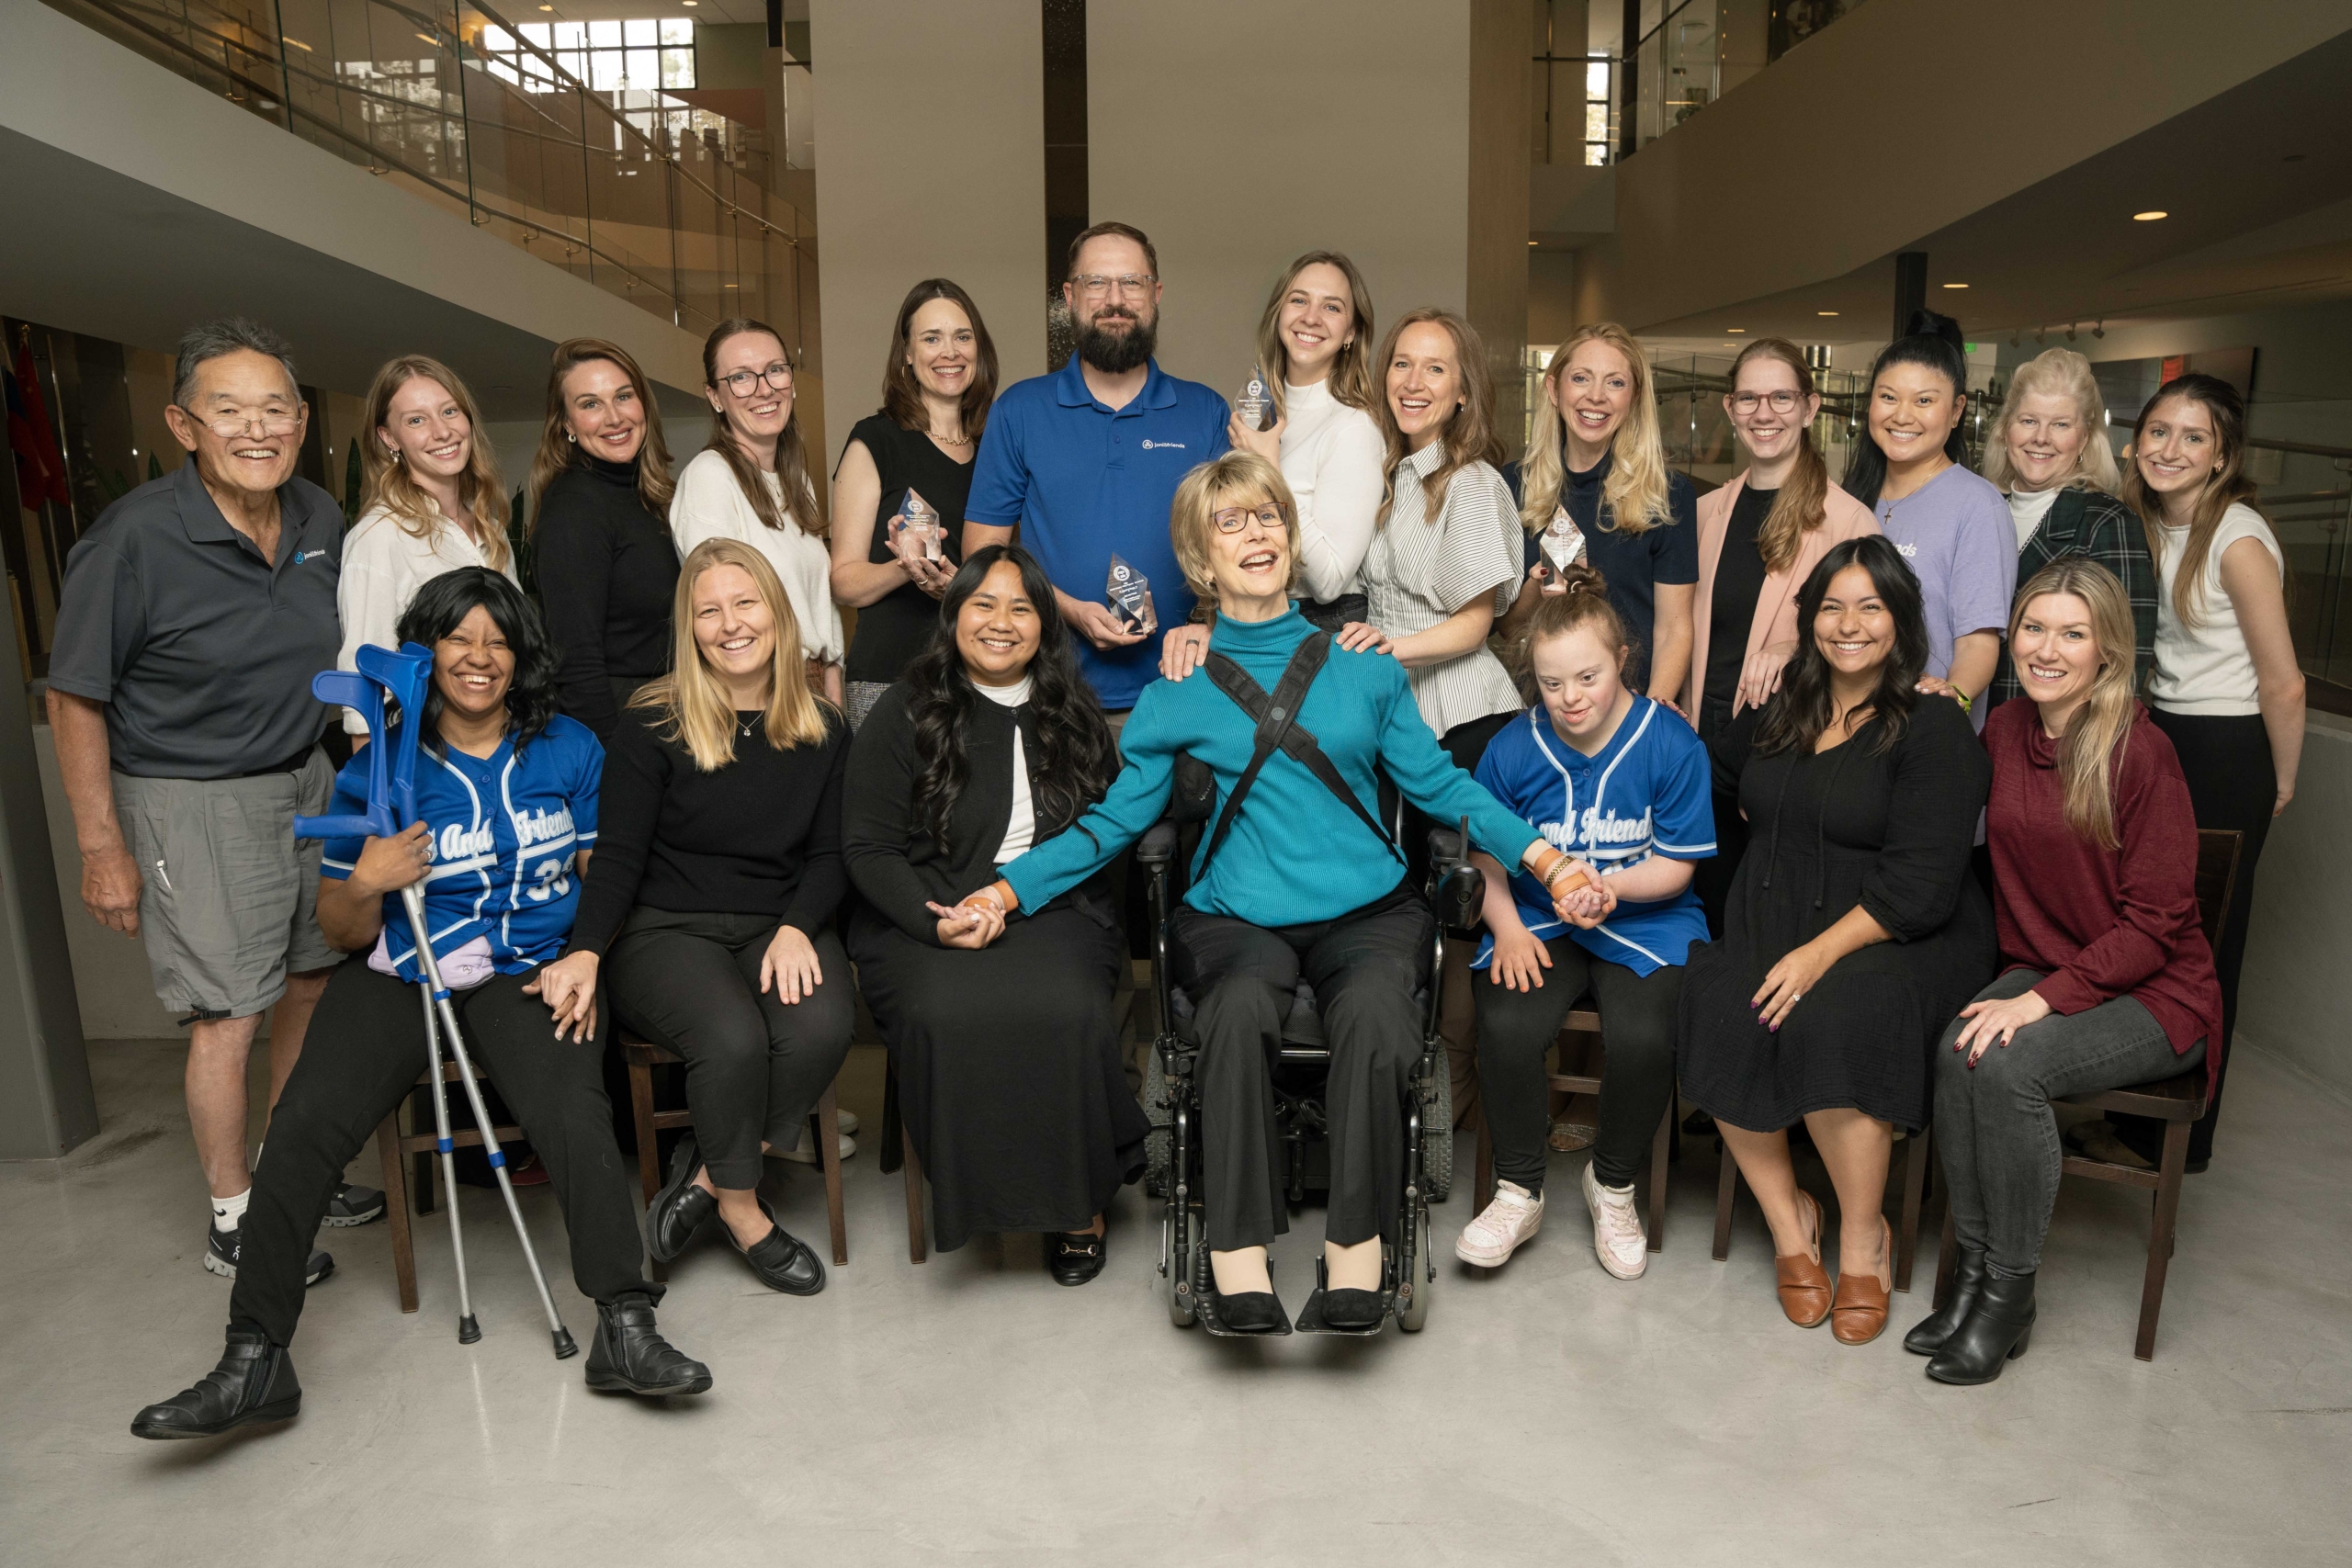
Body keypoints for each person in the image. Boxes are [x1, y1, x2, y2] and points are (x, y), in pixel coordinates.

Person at [951, 451, 1590, 1332]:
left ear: (1291, 540)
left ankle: (1356, 1254)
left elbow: (1446, 788)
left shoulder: (1365, 667)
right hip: (1233, 914)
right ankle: (1236, 1254)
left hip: (1366, 910)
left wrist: (1547, 861)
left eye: (1269, 518)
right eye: (1231, 523)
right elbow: (1111, 823)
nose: (1256, 534)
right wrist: (1004, 892)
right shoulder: (1176, 688)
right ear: (1199, 561)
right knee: (1240, 1006)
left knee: (1373, 1013)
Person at [130, 569, 710, 1440]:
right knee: (302, 1124)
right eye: (458, 638)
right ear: (424, 653)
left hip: (529, 968)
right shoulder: (376, 771)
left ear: (520, 657)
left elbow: (607, 878)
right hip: (405, 966)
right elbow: (337, 924)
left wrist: (586, 957)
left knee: (575, 1111)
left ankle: (625, 1325)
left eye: (498, 640)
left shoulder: (571, 750)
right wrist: (366, 879)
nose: (479, 657)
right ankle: (255, 1360)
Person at [47, 318, 377, 1284]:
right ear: (184, 425)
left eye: (275, 408)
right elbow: (75, 697)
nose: (257, 427)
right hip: (188, 800)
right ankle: (235, 1219)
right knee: (227, 1013)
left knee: (314, 981)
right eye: (229, 409)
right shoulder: (132, 539)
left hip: (305, 781)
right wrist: (101, 846)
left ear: (303, 420)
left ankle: (288, 1174)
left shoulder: (320, 516)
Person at [1906, 559, 2221, 1384]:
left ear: (2108, 650)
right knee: (1955, 1047)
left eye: (2072, 633)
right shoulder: (2005, 727)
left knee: (2011, 1066)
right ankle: (1972, 1274)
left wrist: (2041, 1001)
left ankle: (2009, 1291)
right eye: (2034, 628)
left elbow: (2155, 927)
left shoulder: (2139, 752)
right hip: (2047, 964)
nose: (2048, 647)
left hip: (2157, 992)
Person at [1678, 536, 1994, 1347]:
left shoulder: (1933, 723)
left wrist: (1819, 952)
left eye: (1871, 607)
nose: (1849, 625)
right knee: (1720, 1004)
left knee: (1831, 1016)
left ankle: (1864, 1238)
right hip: (1778, 912)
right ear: (1808, 618)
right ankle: (1792, 1225)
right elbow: (1711, 773)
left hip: (1893, 933)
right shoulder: (1783, 704)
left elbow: (1923, 884)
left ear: (1902, 619)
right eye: (1831, 606)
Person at [534, 539, 854, 1292]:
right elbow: (617, 857)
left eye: (745, 603)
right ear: (690, 627)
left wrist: (799, 925)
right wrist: (585, 950)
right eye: (709, 610)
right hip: (665, 927)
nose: (730, 623)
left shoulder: (826, 727)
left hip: (776, 923)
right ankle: (743, 1209)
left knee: (820, 1025)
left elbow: (835, 852)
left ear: (776, 613)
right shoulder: (652, 719)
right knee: (732, 1036)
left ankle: (705, 1173)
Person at [841, 544, 1140, 1282]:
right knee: (948, 1007)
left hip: (1051, 905)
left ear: (1044, 624)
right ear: (954, 615)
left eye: (1021, 607)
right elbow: (868, 846)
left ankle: (1079, 1207)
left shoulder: (1076, 714)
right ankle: (980, 1198)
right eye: (983, 604)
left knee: (1069, 1005)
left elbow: (1103, 838)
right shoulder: (905, 710)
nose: (1001, 622)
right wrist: (929, 918)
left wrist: (1019, 897)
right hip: (924, 906)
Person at [1456, 567, 1714, 1278]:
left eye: (1587, 677)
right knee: (1506, 1021)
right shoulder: (1513, 746)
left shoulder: (1670, 742)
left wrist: (1613, 886)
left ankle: (1613, 1181)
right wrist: (1504, 924)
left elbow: (1678, 864)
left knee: (1645, 1033)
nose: (1571, 698)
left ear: (1622, 659)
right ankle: (1518, 1187)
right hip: (1537, 917)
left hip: (1649, 915)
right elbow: (1486, 852)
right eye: (1551, 683)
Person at [2100, 373, 2302, 1174]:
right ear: (2136, 439)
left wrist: (2281, 782)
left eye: (2194, 437)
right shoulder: (2143, 522)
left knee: (2205, 945)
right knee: (2142, 929)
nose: (2171, 449)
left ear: (2223, 456)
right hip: (2160, 736)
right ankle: (2127, 1112)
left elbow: (2283, 680)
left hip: (2227, 749)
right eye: (2159, 431)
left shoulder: (2238, 535)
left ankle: (2184, 1140)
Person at [962, 220, 1230, 719]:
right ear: (1069, 296)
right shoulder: (1020, 410)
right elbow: (982, 552)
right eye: (1096, 283)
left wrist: (1213, 626)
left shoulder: (1206, 411)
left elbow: (1238, 548)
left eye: (1131, 282)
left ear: (1155, 294)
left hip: (1186, 695)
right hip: (1049, 698)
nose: (1115, 299)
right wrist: (1069, 611)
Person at [1686, 337, 1878, 933]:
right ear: (1729, 408)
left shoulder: (1848, 520)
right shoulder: (1706, 511)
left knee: (1766, 924)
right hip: (1699, 745)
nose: (1763, 413)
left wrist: (1791, 646)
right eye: (1749, 398)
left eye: (1780, 397)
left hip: (1781, 752)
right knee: (1705, 918)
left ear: (1811, 407)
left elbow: (1874, 639)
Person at [1162, 250, 1384, 667]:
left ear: (1351, 332)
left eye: (1332, 307)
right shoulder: (1262, 412)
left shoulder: (1354, 427)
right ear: (1279, 312)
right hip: (1252, 619)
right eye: (1299, 300)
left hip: (1319, 627)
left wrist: (1270, 468)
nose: (1311, 317)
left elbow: (1330, 581)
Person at [1498, 322, 1700, 705]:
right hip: (1549, 708)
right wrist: (1536, 589)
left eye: (1615, 383)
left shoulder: (1668, 495)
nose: (1596, 397)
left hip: (1635, 705)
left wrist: (1650, 717)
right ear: (1554, 389)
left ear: (1635, 397)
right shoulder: (1512, 485)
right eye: (1581, 378)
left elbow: (1675, 628)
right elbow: (1508, 630)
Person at [831, 278, 995, 728]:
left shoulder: (997, 446)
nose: (950, 352)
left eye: (963, 337)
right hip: (890, 679)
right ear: (906, 352)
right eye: (931, 338)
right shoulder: (876, 440)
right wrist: (905, 568)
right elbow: (843, 581)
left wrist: (959, 589)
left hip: (979, 675)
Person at [1840, 311, 2015, 723]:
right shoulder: (1848, 499)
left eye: (1924, 401)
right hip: (1844, 727)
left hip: (1920, 730)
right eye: (1888, 397)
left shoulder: (1979, 506)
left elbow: (1978, 642)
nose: (1902, 416)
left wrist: (1952, 696)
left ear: (1956, 411)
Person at [338, 355, 517, 738]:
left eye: (449, 411)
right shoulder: (380, 537)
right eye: (416, 420)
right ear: (389, 438)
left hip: (501, 747)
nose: (442, 431)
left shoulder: (492, 530)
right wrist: (376, 794)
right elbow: (365, 688)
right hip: (424, 758)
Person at [673, 318, 845, 705]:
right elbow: (721, 619)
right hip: (760, 693)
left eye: (775, 370)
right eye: (740, 377)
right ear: (715, 396)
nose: (764, 389)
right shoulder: (709, 477)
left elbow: (819, 602)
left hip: (813, 687)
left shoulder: (795, 478)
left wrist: (833, 680)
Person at [1979, 349, 2156, 708]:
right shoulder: (1978, 510)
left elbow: (2128, 661)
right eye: (2028, 420)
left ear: (2085, 439)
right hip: (1967, 728)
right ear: (2005, 429)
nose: (2041, 438)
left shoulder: (2108, 522)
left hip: (2057, 740)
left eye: (2060, 424)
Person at [529, 337, 681, 741]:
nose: (614, 417)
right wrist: (613, 767)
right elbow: (575, 663)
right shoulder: (574, 508)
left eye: (623, 396)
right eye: (590, 404)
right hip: (622, 720)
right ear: (566, 425)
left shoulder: (653, 496)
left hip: (670, 711)